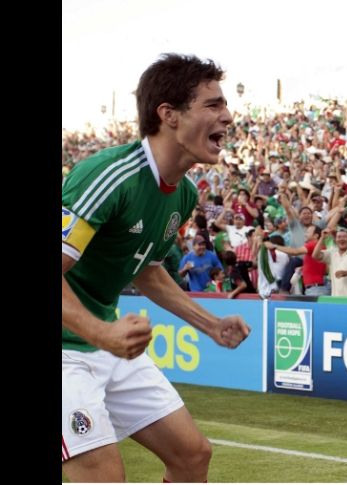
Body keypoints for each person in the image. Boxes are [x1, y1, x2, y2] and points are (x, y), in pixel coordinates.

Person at [62, 53, 251, 482]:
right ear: (168, 114)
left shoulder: (182, 194)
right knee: (104, 475)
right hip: (68, 350)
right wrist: (103, 332)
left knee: (192, 455)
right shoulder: (109, 176)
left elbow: (144, 268)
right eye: (213, 104)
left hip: (102, 343)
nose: (228, 115)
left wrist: (209, 323)